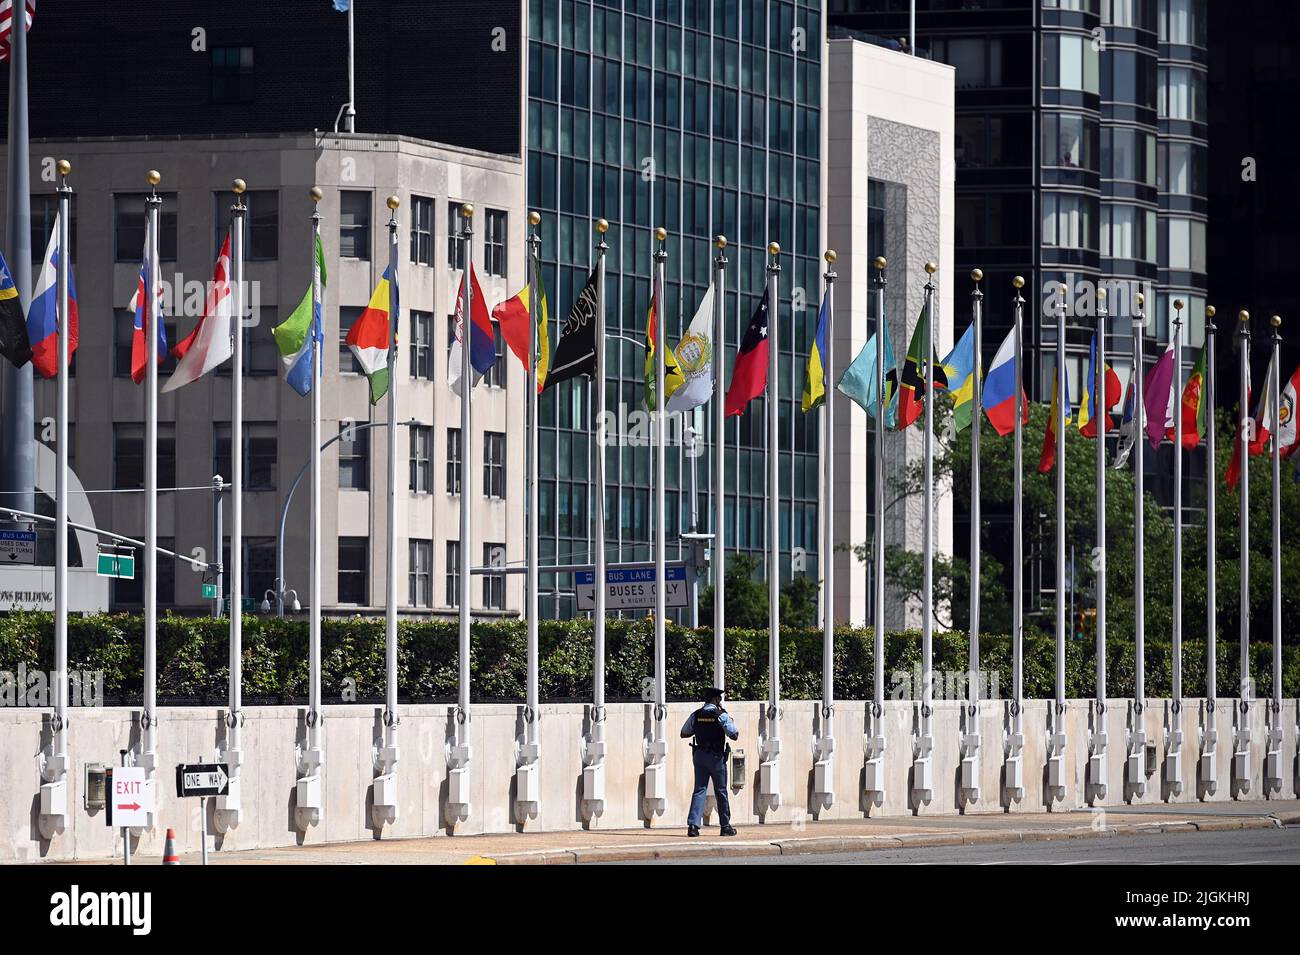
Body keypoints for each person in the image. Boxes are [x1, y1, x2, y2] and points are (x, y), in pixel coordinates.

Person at [680, 687, 739, 837]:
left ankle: (693, 826)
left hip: (699, 756)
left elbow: (684, 733)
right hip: (716, 757)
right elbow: (734, 734)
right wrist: (727, 720)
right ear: (715, 699)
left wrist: (701, 731)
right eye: (719, 699)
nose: (720, 701)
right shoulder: (721, 715)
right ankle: (725, 826)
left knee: (699, 790)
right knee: (721, 791)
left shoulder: (696, 714)